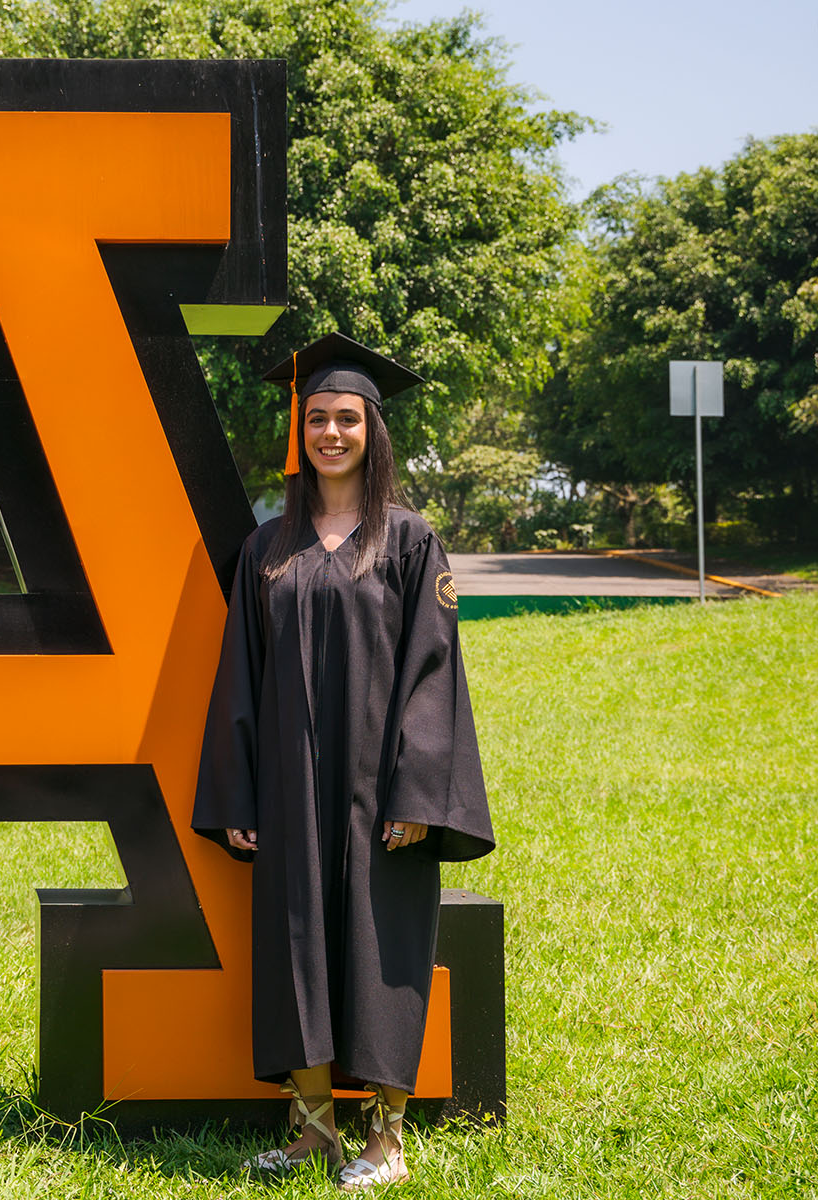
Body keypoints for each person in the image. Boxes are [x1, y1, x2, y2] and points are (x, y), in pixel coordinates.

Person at [192, 333, 494, 1190]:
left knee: (382, 943)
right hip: (290, 786)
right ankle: (314, 1131)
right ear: (302, 430)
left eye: (346, 418)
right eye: (318, 417)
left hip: (380, 795)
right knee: (296, 949)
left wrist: (419, 792)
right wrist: (239, 788)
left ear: (372, 431)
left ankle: (386, 1140)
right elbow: (239, 680)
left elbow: (434, 672)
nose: (330, 432)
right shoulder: (266, 549)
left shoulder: (408, 541)